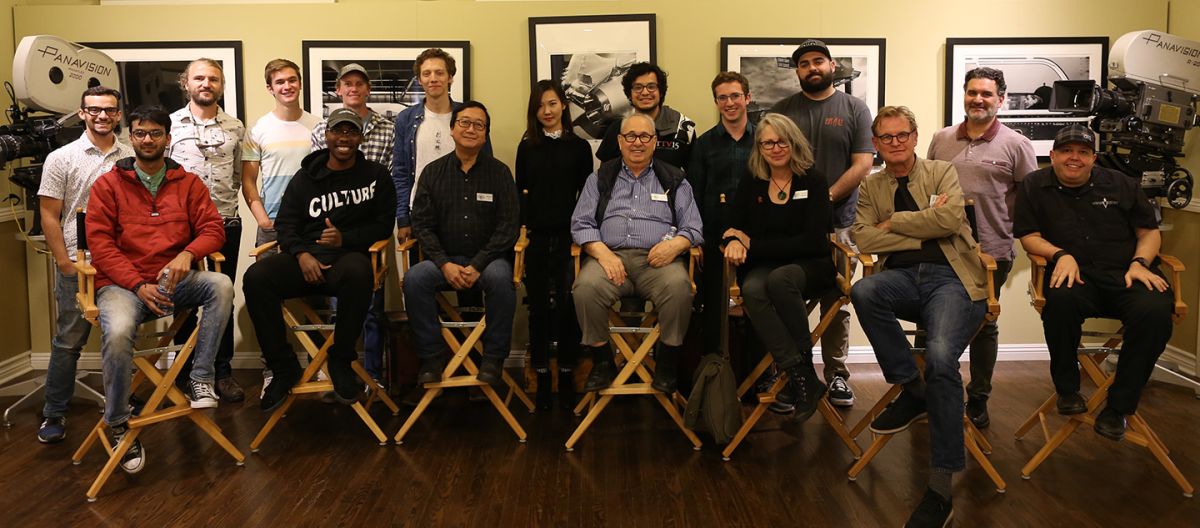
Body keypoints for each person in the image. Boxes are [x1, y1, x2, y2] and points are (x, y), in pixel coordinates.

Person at [849, 106, 988, 527]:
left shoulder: (941, 170)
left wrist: (896, 223)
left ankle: (940, 490)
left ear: (914, 136)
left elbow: (950, 218)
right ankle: (913, 388)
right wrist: (923, 225)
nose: (894, 143)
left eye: (901, 135)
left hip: (952, 279)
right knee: (863, 289)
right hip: (903, 278)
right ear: (876, 144)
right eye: (885, 137)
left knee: (944, 360)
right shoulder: (871, 185)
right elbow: (862, 236)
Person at [86, 105, 233, 474]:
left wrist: (188, 253)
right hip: (122, 286)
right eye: (140, 133)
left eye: (155, 133)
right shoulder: (107, 185)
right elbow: (100, 246)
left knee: (221, 284)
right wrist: (137, 284)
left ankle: (201, 380)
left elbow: (214, 229)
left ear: (168, 139)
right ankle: (118, 422)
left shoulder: (188, 183)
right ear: (130, 137)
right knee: (119, 332)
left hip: (175, 282)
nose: (147, 139)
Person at [1013, 124, 1173, 442]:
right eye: (1067, 151)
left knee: (1155, 311)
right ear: (1054, 155)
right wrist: (1061, 255)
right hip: (1075, 275)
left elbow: (1148, 231)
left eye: (1083, 152)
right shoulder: (1033, 185)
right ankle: (1068, 390)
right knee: (1060, 303)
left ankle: (1119, 407)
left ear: (1093, 158)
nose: (1075, 158)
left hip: (1126, 274)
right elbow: (1029, 236)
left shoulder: (1123, 184)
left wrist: (1141, 263)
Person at [243, 108, 397, 411]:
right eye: (338, 131)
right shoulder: (305, 178)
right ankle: (283, 365)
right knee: (256, 278)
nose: (344, 138)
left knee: (359, 272)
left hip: (347, 259)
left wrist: (345, 239)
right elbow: (286, 225)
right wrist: (301, 255)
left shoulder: (376, 176)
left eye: (351, 132)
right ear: (326, 136)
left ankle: (341, 358)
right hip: (305, 259)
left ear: (361, 138)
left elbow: (382, 224)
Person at [927, 67, 1037, 429]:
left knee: (983, 324)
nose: (978, 99)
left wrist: (1006, 230)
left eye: (987, 94)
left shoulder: (1016, 144)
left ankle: (978, 398)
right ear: (964, 95)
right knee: (933, 321)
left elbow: (1030, 199)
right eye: (973, 92)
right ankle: (932, 394)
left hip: (990, 252)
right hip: (940, 247)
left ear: (1001, 100)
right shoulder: (941, 139)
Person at [770, 39, 875, 406]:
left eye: (818, 61)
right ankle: (793, 375)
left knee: (836, 298)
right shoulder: (783, 111)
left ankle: (837, 376)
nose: (812, 68)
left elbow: (862, 164)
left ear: (832, 66)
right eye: (804, 64)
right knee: (786, 294)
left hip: (840, 223)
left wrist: (823, 199)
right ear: (796, 71)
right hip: (788, 226)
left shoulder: (855, 109)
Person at [571, 113, 704, 394]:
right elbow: (581, 223)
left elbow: (693, 227)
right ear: (620, 141)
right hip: (609, 259)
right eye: (630, 136)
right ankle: (603, 361)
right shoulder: (600, 178)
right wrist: (602, 254)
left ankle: (666, 364)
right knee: (585, 288)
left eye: (645, 137)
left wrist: (675, 245)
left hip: (658, 262)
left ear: (655, 142)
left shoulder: (675, 179)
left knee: (680, 288)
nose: (637, 143)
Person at [35, 86, 134, 444]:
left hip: (123, 263)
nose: (102, 116)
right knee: (69, 340)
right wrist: (63, 262)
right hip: (80, 262)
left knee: (122, 334)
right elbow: (49, 214)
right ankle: (54, 412)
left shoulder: (131, 154)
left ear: (119, 115)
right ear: (82, 114)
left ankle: (122, 405)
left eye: (109, 110)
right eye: (94, 110)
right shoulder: (62, 157)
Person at [722, 113, 834, 423]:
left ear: (794, 141)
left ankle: (803, 369)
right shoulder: (753, 179)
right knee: (752, 288)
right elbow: (735, 222)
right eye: (767, 142)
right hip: (765, 266)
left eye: (781, 140)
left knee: (780, 280)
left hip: (809, 265)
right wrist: (733, 238)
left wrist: (752, 243)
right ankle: (801, 375)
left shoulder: (814, 179)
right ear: (759, 147)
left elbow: (811, 242)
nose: (775, 148)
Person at [404, 101, 519, 385]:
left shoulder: (500, 173)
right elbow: (421, 224)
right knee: (414, 279)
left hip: (488, 262)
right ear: (453, 129)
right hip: (443, 260)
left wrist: (479, 264)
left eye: (479, 125)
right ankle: (432, 357)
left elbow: (508, 226)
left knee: (503, 280)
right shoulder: (432, 173)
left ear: (485, 134)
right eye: (464, 123)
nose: (471, 129)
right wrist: (444, 264)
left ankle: (493, 359)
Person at [167, 58, 246, 403]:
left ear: (221, 85)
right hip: (178, 229)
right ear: (186, 83)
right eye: (199, 77)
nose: (206, 83)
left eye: (213, 78)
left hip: (225, 222)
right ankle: (184, 374)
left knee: (223, 297)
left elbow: (240, 176)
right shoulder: (169, 126)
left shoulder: (236, 127)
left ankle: (221, 371)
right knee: (181, 300)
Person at [311, 63, 396, 385]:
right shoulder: (322, 131)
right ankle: (339, 373)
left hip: (371, 229)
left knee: (373, 308)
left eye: (360, 83)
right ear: (338, 89)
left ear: (368, 89)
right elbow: (318, 179)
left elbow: (390, 180)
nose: (354, 88)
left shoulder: (388, 129)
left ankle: (373, 375)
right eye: (347, 83)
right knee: (339, 308)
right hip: (334, 228)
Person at [515, 81, 593, 409]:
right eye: (540, 106)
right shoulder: (527, 147)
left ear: (563, 105)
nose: (546, 111)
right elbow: (522, 192)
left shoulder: (579, 147)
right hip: (535, 235)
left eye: (552, 104)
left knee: (568, 303)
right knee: (538, 306)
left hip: (570, 236)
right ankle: (543, 374)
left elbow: (588, 196)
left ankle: (568, 370)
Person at [687, 71, 757, 381]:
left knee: (758, 301)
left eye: (735, 96)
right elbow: (694, 193)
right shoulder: (703, 144)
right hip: (713, 238)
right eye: (722, 98)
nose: (729, 103)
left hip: (756, 238)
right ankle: (714, 377)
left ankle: (758, 374)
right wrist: (696, 240)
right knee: (712, 310)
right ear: (716, 102)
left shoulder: (765, 141)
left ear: (747, 98)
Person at [393, 48, 491, 241]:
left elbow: (486, 166)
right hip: (421, 213)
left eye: (439, 72)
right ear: (419, 80)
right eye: (426, 73)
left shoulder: (469, 117)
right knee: (422, 271)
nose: (433, 78)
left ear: (450, 77)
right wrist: (403, 218)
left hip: (465, 211)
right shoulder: (406, 119)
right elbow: (401, 173)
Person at [242, 58, 321, 248]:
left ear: (300, 83)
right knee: (266, 277)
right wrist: (262, 220)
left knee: (312, 276)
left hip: (311, 219)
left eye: (292, 80)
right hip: (272, 223)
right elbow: (248, 180)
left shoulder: (319, 126)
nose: (287, 86)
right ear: (270, 88)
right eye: (279, 82)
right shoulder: (257, 129)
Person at [594, 62, 696, 171]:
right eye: (638, 87)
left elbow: (693, 176)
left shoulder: (683, 127)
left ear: (660, 91)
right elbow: (604, 177)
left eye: (651, 87)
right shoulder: (616, 129)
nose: (645, 92)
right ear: (629, 94)